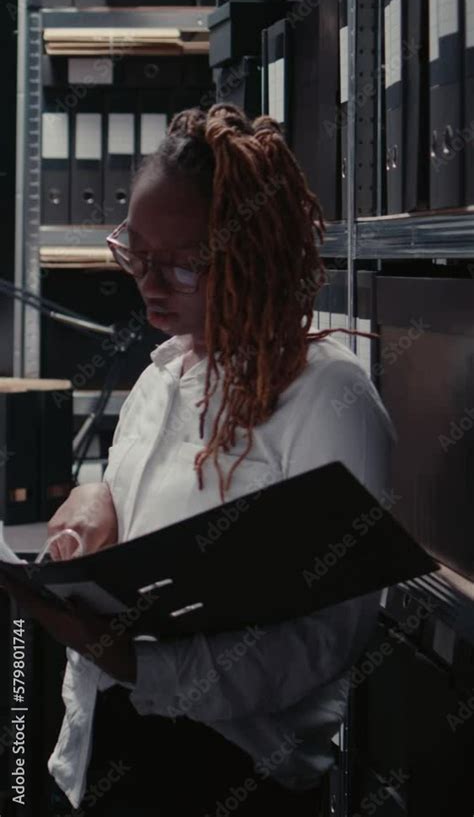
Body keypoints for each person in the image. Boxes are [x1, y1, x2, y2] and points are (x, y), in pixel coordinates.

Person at [0, 103, 396, 816]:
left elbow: (323, 641)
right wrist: (98, 505)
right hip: (100, 747)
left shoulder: (333, 401)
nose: (148, 282)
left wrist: (140, 663)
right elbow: (149, 504)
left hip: (234, 776)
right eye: (136, 253)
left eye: (181, 263)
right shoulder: (162, 375)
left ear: (254, 251)